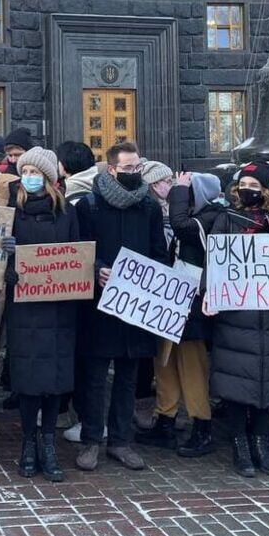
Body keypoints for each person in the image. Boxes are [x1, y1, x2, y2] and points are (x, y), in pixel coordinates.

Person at [196, 161, 269, 477]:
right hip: (236, 316)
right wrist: (209, 294)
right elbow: (213, 263)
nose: (248, 191)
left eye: (256, 186)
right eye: (245, 185)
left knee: (268, 386)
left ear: (266, 190)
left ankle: (261, 442)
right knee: (238, 386)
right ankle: (240, 444)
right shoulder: (226, 220)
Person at [75, 141, 171, 472]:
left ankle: (120, 441)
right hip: (99, 304)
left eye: (137, 168)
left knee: (129, 376)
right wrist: (97, 267)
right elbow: (80, 249)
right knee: (95, 376)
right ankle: (91, 440)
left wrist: (150, 278)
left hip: (136, 303)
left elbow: (160, 252)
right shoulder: (89, 206)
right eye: (127, 168)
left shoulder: (149, 207)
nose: (133, 173)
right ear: (111, 169)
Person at [2, 147, 84, 482]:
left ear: (49, 178)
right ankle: (28, 443)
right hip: (25, 308)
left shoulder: (66, 212)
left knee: (54, 380)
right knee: (28, 380)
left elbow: (78, 254)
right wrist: (8, 264)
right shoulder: (11, 210)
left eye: (36, 172)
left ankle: (48, 442)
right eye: (26, 172)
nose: (29, 178)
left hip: (59, 308)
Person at [153, 171, 224, 458]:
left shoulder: (212, 216)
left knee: (192, 365)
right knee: (165, 361)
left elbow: (181, 226)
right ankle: (165, 418)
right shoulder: (202, 214)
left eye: (187, 191)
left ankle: (201, 424)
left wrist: (178, 191)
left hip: (194, 302)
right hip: (174, 297)